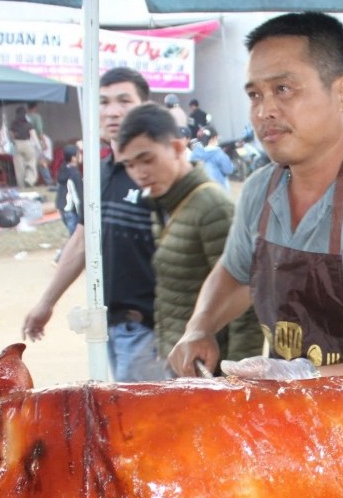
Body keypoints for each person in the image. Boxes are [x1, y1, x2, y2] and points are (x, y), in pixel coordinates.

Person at [168, 12, 343, 379]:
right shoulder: (259, 191)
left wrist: (307, 379)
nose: (264, 111)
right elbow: (236, 274)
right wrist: (200, 327)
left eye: (283, 89)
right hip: (286, 408)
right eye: (255, 94)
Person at [22, 67, 163, 383]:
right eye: (104, 102)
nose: (112, 111)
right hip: (111, 326)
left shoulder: (164, 172)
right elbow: (82, 241)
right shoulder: (99, 174)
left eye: (124, 101)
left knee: (142, 415)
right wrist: (46, 303)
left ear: (144, 107)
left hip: (154, 332)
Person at [118, 104, 264, 371]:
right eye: (129, 165)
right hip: (180, 360)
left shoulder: (212, 207)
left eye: (147, 160)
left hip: (210, 372)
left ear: (176, 148)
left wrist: (237, 382)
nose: (139, 173)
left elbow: (246, 298)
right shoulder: (162, 203)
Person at [188, 126, 235, 191]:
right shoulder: (219, 153)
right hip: (216, 190)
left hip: (199, 189)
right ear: (214, 138)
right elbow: (228, 170)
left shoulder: (195, 153)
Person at [9, 106, 38, 190]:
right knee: (31, 162)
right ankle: (29, 179)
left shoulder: (13, 124)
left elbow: (11, 135)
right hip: (27, 144)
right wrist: (38, 146)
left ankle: (21, 186)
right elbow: (33, 136)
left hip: (17, 144)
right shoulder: (28, 124)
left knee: (19, 167)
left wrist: (14, 141)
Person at [26, 102, 53, 185]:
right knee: (43, 160)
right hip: (37, 140)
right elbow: (39, 131)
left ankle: (33, 180)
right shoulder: (36, 117)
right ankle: (48, 180)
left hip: (27, 141)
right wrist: (44, 142)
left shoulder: (25, 117)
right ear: (35, 108)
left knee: (32, 161)